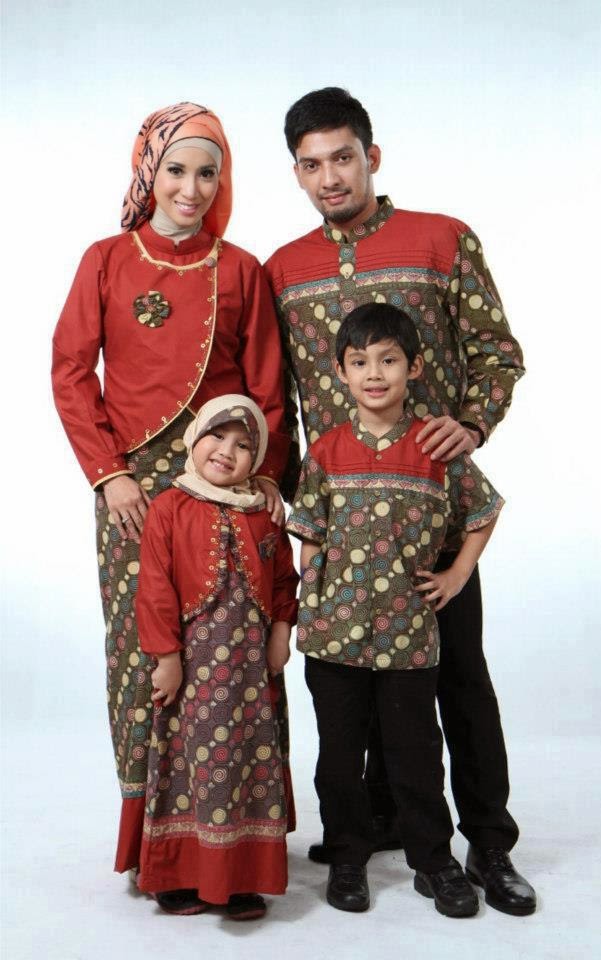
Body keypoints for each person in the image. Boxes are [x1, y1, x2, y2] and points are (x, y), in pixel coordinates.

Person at [265, 87, 536, 916]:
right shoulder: (284, 269)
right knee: (356, 691)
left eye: (342, 158)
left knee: (456, 679)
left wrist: (471, 424)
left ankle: (486, 842)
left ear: (371, 157)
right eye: (311, 164)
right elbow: (279, 392)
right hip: (341, 517)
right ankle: (379, 823)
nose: (329, 177)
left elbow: (496, 352)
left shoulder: (440, 239)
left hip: (429, 508)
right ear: (296, 173)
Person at [52, 102, 290, 876]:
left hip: (226, 489)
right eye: (177, 170)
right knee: (142, 654)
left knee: (232, 655)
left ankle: (233, 847)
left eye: (207, 173)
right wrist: (109, 473)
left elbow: (268, 389)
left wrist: (266, 479)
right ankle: (152, 845)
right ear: (148, 172)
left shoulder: (241, 269)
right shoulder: (105, 260)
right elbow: (70, 372)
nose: (191, 188)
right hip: (131, 496)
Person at [286, 303, 503, 916]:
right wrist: (312, 586)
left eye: (388, 361)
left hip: (409, 636)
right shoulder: (326, 451)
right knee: (338, 756)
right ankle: (347, 857)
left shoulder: (436, 445)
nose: (374, 374)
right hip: (334, 635)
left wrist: (457, 575)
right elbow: (310, 529)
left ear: (414, 367)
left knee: (416, 755)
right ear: (340, 372)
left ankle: (433, 861)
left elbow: (484, 511)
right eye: (360, 362)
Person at [135, 395, 298, 919]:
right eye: (217, 435)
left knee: (250, 761)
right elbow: (154, 588)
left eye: (244, 445)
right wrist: (166, 657)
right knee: (189, 763)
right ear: (193, 438)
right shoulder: (169, 506)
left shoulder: (263, 515)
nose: (227, 451)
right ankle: (180, 873)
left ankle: (243, 875)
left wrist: (281, 633)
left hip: (251, 675)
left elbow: (283, 580)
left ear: (257, 460)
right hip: (192, 673)